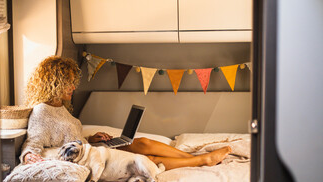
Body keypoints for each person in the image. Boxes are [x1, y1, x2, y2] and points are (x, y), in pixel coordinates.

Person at [21, 56, 231, 170]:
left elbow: (70, 138)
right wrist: (30, 156)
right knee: (146, 158)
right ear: (54, 83)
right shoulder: (42, 111)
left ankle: (197, 156)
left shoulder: (61, 108)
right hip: (86, 158)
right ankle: (203, 161)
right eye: (68, 84)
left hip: (90, 148)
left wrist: (90, 138)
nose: (73, 88)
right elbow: (34, 142)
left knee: (144, 142)